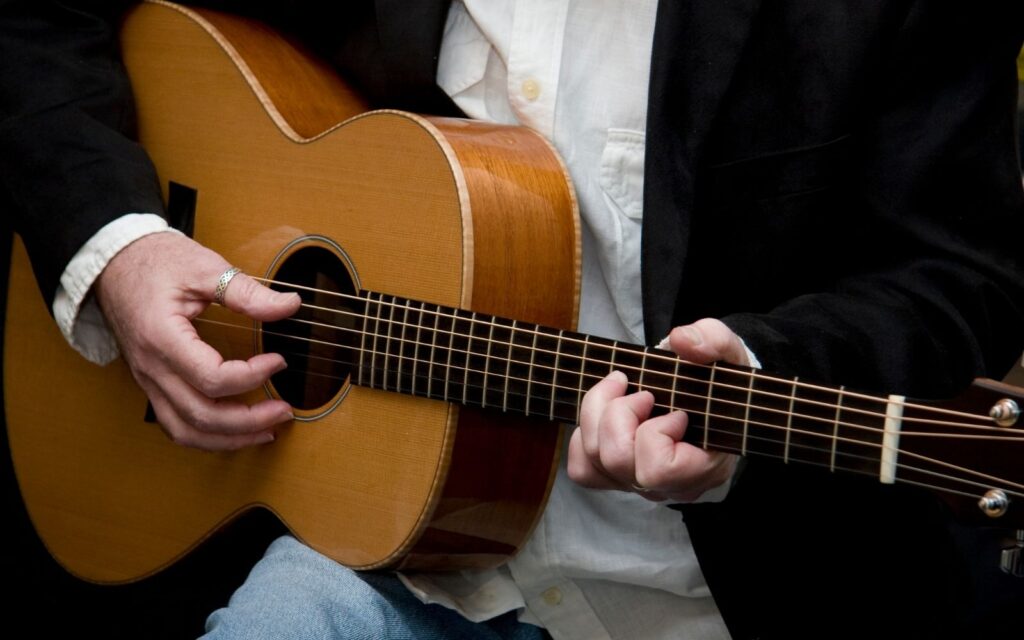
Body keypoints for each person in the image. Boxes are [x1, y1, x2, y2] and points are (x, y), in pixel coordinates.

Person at [3, 1, 1024, 638]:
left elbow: (959, 273)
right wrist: (119, 244)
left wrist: (758, 367)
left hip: (710, 597)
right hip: (390, 558)